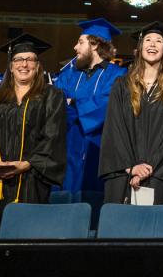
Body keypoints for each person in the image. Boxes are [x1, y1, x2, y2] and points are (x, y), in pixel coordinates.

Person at [0, 34, 67, 206]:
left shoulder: (52, 96)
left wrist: (26, 164)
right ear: (11, 66)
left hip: (31, 180)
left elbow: (53, 137)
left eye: (30, 59)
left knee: (25, 229)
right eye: (18, 59)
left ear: (38, 66)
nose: (24, 64)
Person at [100, 23, 163, 205]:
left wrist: (148, 169)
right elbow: (114, 129)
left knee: (156, 229)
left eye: (158, 41)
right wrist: (131, 167)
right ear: (139, 48)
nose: (152, 44)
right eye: (148, 40)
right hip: (125, 173)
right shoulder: (122, 85)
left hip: (160, 175)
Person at [55, 19, 126, 197]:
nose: (75, 47)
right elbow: (56, 104)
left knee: (93, 201)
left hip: (99, 149)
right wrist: (74, 104)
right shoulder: (70, 73)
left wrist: (72, 103)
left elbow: (106, 106)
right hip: (68, 147)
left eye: (80, 42)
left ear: (94, 44)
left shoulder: (118, 75)